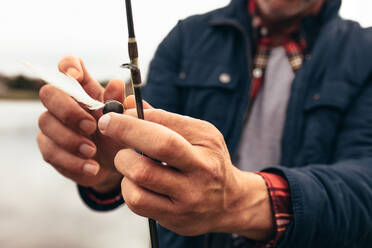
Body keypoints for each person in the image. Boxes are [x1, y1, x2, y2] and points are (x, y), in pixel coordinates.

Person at [37, 0, 372, 247]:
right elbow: (142, 157)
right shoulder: (186, 38)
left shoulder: (365, 50)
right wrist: (111, 167)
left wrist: (240, 200)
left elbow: (365, 185)